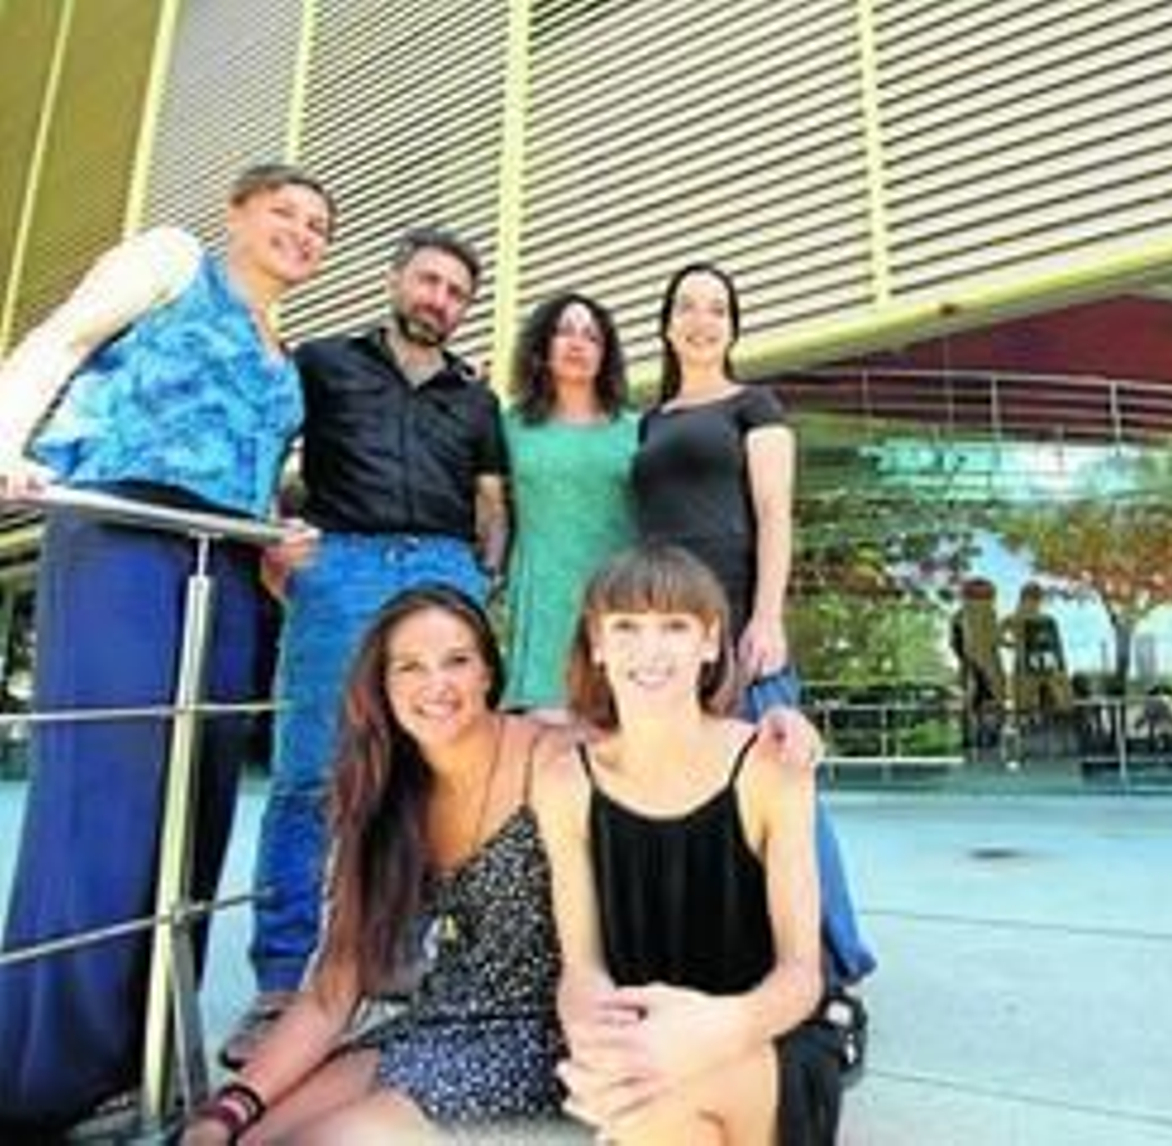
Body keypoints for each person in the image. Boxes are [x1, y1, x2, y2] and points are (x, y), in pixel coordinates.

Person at [0, 163, 333, 1130]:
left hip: (224, 565)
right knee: (110, 794)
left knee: (198, 802)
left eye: (318, 227)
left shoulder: (286, 355)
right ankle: (44, 1072)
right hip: (122, 536)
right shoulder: (173, 260)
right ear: (237, 213)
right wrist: (8, 446)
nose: (302, 235)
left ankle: (143, 1046)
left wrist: (275, 548)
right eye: (285, 214)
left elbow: (250, 468)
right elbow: (58, 338)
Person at [229, 227, 510, 1066]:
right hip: (341, 565)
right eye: (428, 281)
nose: (440, 300)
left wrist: (483, 576)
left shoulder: (476, 400)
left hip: (442, 566)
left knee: (434, 772)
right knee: (311, 773)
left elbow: (490, 499)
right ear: (397, 280)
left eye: (457, 292)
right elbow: (265, 452)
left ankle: (401, 957)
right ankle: (282, 982)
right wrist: (267, 539)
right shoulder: (324, 363)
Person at [183, 585, 565, 1143]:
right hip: (437, 1022)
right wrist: (230, 1107)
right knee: (243, 1137)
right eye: (409, 667)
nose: (436, 684)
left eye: (457, 661)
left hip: (540, 1036)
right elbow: (334, 986)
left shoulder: (550, 758)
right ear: (382, 687)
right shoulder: (385, 792)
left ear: (488, 672)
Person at [540, 545, 846, 1144]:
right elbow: (582, 968)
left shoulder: (768, 766)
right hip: (644, 1040)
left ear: (710, 643)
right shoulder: (563, 781)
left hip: (765, 1036)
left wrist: (710, 1033)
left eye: (674, 626)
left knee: (652, 1116)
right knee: (658, 1117)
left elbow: (801, 976)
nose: (649, 650)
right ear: (596, 644)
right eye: (625, 626)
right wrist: (602, 1035)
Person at [631, 262, 875, 988]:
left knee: (784, 789)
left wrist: (766, 616)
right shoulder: (650, 419)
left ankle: (832, 959)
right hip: (668, 635)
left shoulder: (755, 406)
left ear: (732, 326)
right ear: (667, 322)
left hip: (739, 622)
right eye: (687, 306)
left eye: (717, 309)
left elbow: (773, 514)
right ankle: (742, 952)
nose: (702, 320)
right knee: (698, 798)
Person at [502, 291, 636, 711]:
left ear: (606, 355)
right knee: (546, 746)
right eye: (564, 332)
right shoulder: (510, 427)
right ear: (542, 347)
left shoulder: (639, 429)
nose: (577, 344)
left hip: (620, 600)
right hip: (543, 606)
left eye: (591, 337)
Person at [1000, 581, 1068, 753]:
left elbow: (997, 638)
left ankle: (1026, 749)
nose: (1035, 602)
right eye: (1035, 598)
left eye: (1035, 598)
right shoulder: (1045, 619)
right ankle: (1037, 747)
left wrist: (1014, 645)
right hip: (1043, 668)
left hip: (1031, 668)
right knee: (1040, 708)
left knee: (1027, 708)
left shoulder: (1016, 618)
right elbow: (1057, 649)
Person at [950, 577, 1005, 752]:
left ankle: (972, 740)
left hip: (970, 668)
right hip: (987, 667)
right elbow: (995, 639)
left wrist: (967, 662)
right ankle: (987, 740)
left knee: (972, 706)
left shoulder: (958, 615)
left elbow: (954, 643)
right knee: (990, 704)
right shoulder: (988, 612)